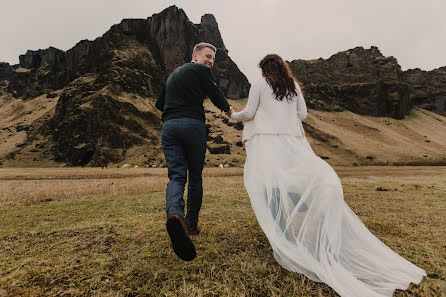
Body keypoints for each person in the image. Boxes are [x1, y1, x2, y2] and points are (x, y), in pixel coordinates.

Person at [227, 54, 426, 297]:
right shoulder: (293, 86)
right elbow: (302, 115)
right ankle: (299, 217)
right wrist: (284, 115)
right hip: (292, 142)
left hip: (269, 143)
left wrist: (232, 114)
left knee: (272, 185)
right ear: (282, 67)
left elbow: (248, 112)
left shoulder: (259, 84)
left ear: (263, 69)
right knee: (294, 179)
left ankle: (282, 234)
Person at [156, 42, 231, 261]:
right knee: (195, 176)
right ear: (195, 56)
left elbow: (160, 104)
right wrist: (228, 110)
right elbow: (216, 94)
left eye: (213, 59)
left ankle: (174, 215)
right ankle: (190, 224)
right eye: (208, 56)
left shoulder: (172, 76)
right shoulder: (201, 70)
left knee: (176, 175)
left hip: (169, 127)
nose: (210, 61)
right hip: (192, 125)